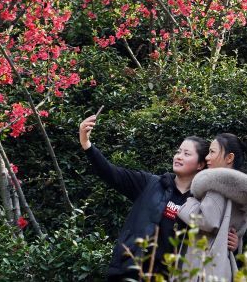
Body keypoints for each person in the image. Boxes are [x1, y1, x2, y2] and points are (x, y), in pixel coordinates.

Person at [79, 112, 208, 282]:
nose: (178, 156)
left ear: (200, 164)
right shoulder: (150, 184)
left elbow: (213, 238)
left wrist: (234, 244)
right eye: (178, 152)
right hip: (131, 273)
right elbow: (112, 173)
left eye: (186, 154)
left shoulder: (201, 202)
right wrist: (86, 144)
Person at [177, 133, 247, 281]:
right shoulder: (241, 194)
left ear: (229, 158)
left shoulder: (216, 187)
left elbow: (206, 220)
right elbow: (235, 231)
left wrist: (188, 202)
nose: (207, 157)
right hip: (222, 267)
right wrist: (236, 243)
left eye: (212, 152)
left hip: (204, 268)